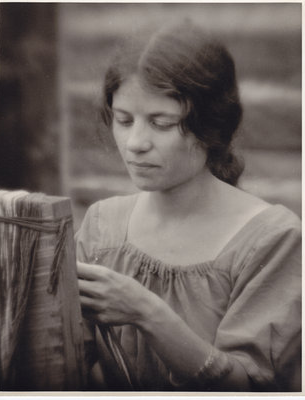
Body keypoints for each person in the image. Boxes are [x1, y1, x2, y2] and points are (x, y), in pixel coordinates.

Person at [75, 21, 301, 392]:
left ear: (210, 126)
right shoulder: (102, 226)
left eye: (161, 123)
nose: (135, 143)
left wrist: (147, 313)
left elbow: (251, 389)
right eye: (123, 120)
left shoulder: (272, 239)